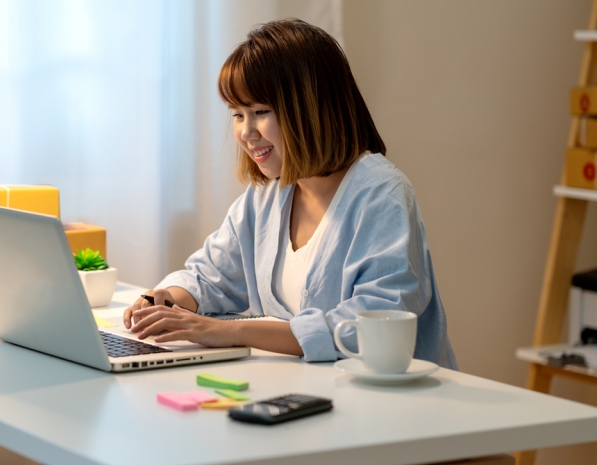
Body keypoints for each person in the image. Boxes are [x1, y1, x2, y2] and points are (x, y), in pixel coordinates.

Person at [123, 19, 457, 368]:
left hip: (389, 406)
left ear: (310, 109)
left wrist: (229, 331)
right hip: (310, 395)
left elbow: (370, 325)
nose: (246, 132)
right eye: (238, 115)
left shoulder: (380, 196)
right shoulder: (265, 198)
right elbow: (209, 277)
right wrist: (163, 301)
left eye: (260, 112)